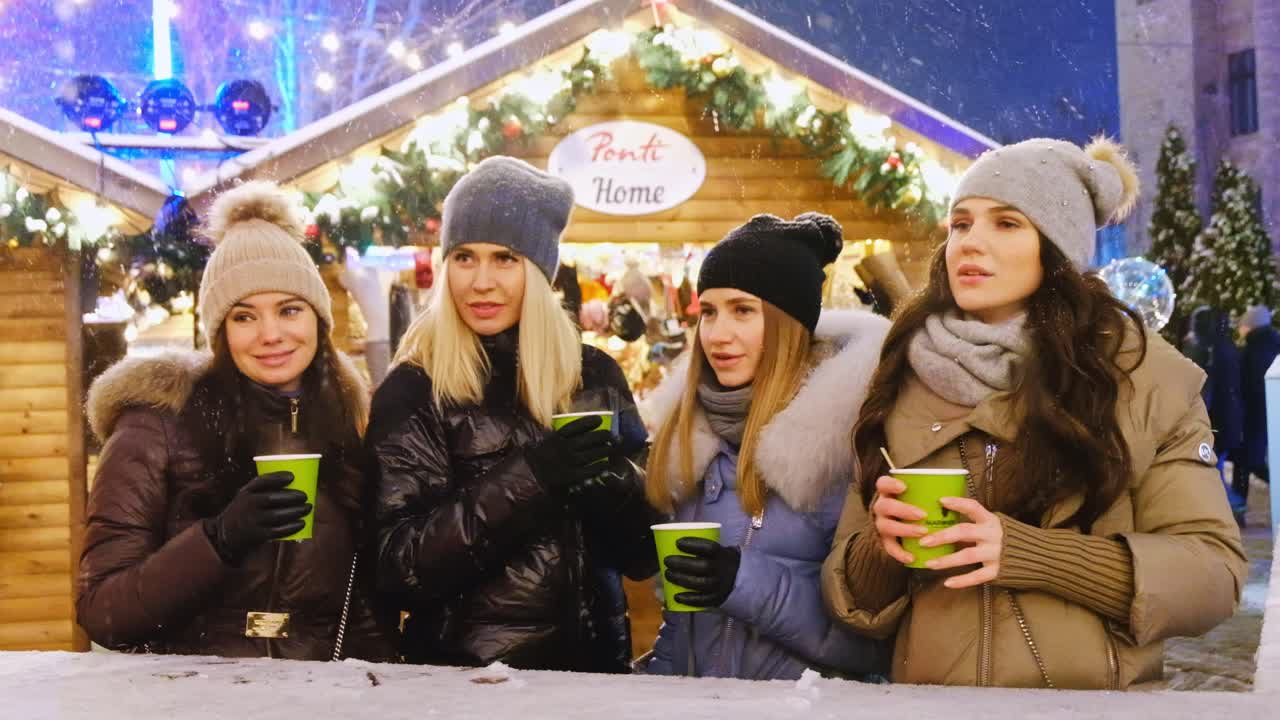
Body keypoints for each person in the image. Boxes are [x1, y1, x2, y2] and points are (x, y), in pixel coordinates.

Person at [822, 138, 1246, 689]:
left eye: (1006, 224)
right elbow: (848, 600)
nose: (971, 243)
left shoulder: (1141, 379)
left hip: (1090, 709)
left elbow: (1213, 574)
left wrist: (1035, 555)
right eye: (961, 224)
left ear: (1056, 248)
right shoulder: (901, 373)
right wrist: (883, 549)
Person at [77, 181, 397, 661]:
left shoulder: (347, 426)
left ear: (318, 322)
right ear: (221, 332)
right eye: (244, 317)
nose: (271, 334)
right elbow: (103, 612)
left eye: (289, 310)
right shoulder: (155, 426)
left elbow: (359, 604)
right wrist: (217, 540)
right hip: (193, 701)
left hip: (319, 701)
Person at [366, 156, 658, 672]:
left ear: (539, 270)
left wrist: (619, 491)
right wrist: (533, 477)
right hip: (469, 685)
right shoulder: (415, 389)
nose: (480, 282)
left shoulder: (593, 377)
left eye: (504, 258)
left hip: (594, 681)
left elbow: (642, 557)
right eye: (463, 257)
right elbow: (399, 566)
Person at [641, 212, 891, 680]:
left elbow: (873, 646)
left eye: (742, 310)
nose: (717, 335)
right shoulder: (694, 445)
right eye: (709, 311)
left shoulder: (846, 446)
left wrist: (742, 582)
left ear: (786, 322)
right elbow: (682, 630)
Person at [1181, 305, 1245, 514]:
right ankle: (1230, 505)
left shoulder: (1204, 349)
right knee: (1214, 466)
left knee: (1212, 468)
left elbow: (1202, 387)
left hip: (1215, 418)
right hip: (1226, 417)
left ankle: (1231, 505)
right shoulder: (1224, 346)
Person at [1233, 305, 1280, 518]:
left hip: (1253, 414)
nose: (1240, 328)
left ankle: (1237, 507)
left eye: (1243, 324)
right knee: (1248, 460)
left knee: (1248, 461)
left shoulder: (1254, 350)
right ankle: (1237, 506)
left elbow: (1248, 385)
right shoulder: (1271, 345)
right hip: (1265, 412)